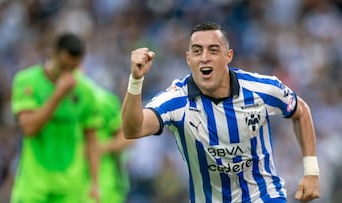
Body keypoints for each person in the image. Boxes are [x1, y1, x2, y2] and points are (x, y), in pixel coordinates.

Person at [121, 22, 320, 203]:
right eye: (197, 51)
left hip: (264, 196)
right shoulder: (176, 101)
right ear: (188, 58)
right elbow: (133, 130)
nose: (204, 58)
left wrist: (311, 171)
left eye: (213, 50)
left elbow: (300, 111)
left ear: (228, 56)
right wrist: (136, 80)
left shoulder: (262, 89)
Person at [11, 33, 99, 203]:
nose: (69, 72)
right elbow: (29, 128)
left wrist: (95, 183)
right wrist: (58, 94)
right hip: (33, 185)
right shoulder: (27, 82)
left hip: (71, 188)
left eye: (73, 67)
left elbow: (92, 140)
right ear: (52, 54)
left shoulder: (86, 91)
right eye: (64, 66)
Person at [85, 79, 133, 203]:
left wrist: (97, 148)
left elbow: (127, 138)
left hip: (105, 183)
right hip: (64, 181)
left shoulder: (103, 101)